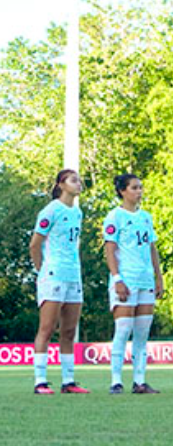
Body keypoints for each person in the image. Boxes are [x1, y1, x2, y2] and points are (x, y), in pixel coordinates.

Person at [103, 174, 164, 394]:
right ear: (122, 191)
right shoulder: (114, 217)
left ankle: (140, 380)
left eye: (140, 187)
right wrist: (117, 278)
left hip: (145, 279)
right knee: (123, 329)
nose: (139, 191)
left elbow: (151, 248)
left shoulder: (146, 217)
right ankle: (116, 380)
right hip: (126, 280)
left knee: (142, 332)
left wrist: (159, 277)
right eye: (134, 188)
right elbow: (110, 249)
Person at [30, 169, 89, 394]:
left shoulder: (77, 212)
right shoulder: (51, 210)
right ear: (61, 185)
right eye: (73, 180)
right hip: (53, 274)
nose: (78, 184)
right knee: (47, 327)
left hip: (73, 275)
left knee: (69, 329)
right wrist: (42, 269)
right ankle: (40, 380)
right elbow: (35, 243)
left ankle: (68, 380)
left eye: (79, 180)